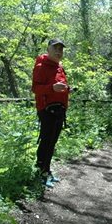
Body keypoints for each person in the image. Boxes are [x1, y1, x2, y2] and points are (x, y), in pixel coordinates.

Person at [32, 39, 74, 187]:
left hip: (59, 109)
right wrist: (52, 88)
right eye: (55, 48)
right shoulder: (41, 66)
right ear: (48, 50)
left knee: (52, 142)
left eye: (60, 49)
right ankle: (40, 173)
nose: (58, 51)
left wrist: (67, 89)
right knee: (46, 142)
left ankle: (47, 171)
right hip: (47, 109)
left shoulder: (59, 68)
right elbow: (36, 88)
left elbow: (58, 86)